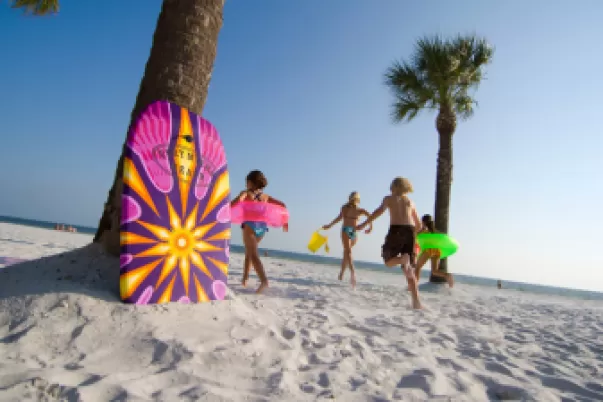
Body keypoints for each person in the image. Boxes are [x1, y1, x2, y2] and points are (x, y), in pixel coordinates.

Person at [357, 177, 422, 309]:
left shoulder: (389, 199)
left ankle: (402, 260)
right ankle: (416, 302)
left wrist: (364, 224)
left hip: (396, 230)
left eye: (391, 186)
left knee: (388, 260)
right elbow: (419, 225)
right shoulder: (411, 202)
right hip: (410, 232)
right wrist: (412, 238)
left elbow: (378, 212)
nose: (390, 188)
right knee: (409, 269)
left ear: (396, 187)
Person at [230, 170, 288, 294]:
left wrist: (226, 208)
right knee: (249, 252)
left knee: (253, 254)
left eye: (246, 182)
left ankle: (264, 281)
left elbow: (238, 200)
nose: (245, 184)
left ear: (251, 182)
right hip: (262, 228)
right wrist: (285, 221)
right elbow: (282, 205)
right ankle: (245, 278)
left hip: (250, 226)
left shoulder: (246, 193)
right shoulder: (265, 197)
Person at [322, 192, 372, 288]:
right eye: (351, 198)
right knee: (348, 251)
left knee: (346, 253)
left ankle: (341, 273)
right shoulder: (344, 208)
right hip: (345, 230)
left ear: (357, 200)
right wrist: (330, 225)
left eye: (354, 199)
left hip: (353, 232)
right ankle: (352, 272)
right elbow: (339, 218)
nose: (353, 200)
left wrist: (370, 227)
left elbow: (370, 217)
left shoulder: (360, 210)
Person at [414, 214, 454, 287]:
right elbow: (442, 239)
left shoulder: (424, 231)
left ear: (423, 222)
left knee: (418, 267)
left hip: (429, 250)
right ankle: (447, 275)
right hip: (437, 251)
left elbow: (415, 236)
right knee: (434, 271)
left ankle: (414, 286)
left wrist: (420, 230)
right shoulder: (436, 232)